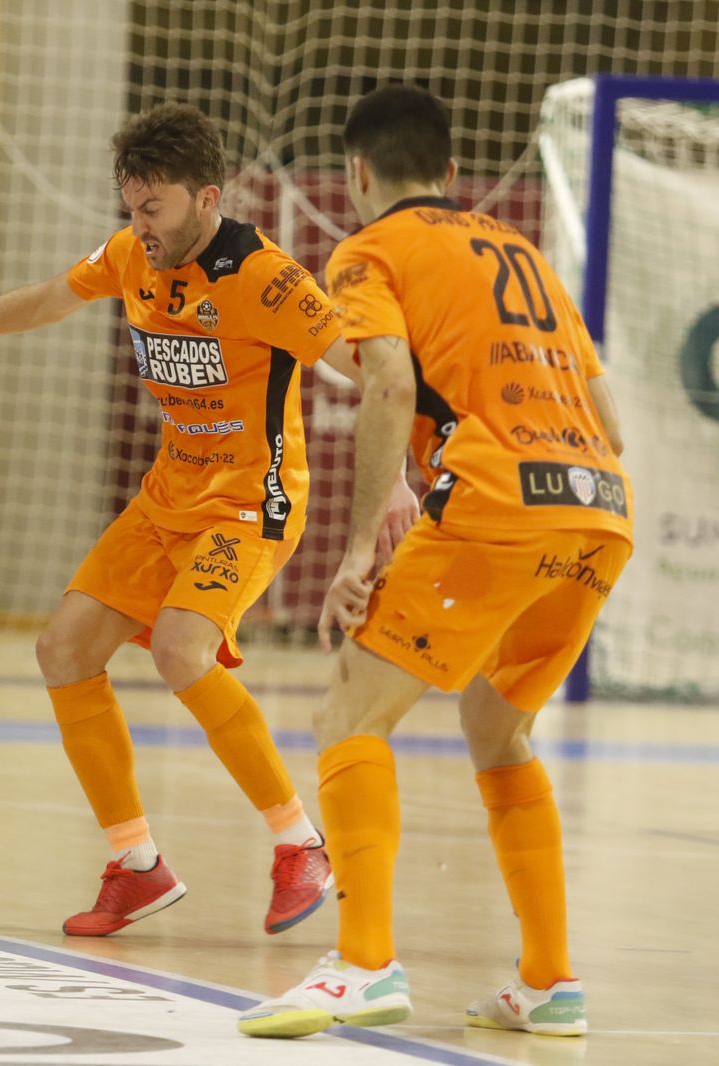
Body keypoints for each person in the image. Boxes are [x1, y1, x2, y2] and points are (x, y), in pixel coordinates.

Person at [0, 101, 416, 938]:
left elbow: (363, 368)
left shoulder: (265, 277)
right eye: (129, 205)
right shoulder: (131, 257)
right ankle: (136, 864)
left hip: (252, 495)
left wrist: (399, 469)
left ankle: (301, 845)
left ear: (208, 198)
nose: (137, 223)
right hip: (168, 494)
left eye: (153, 207)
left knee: (184, 649)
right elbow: (47, 299)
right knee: (64, 648)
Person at [238, 85, 630, 1039]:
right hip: (599, 512)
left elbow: (386, 380)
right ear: (454, 174)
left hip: (498, 503)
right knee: (500, 730)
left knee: (347, 713)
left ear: (360, 174)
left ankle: (364, 964)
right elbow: (605, 409)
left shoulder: (370, 249)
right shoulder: (526, 252)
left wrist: (362, 539)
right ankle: (550, 984)